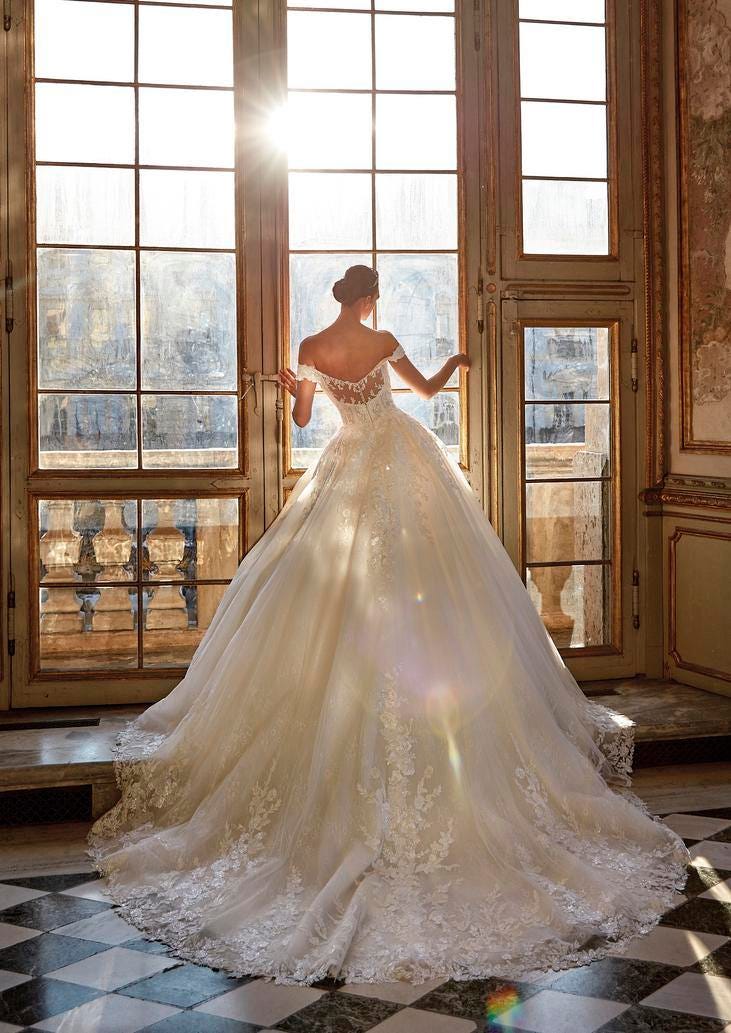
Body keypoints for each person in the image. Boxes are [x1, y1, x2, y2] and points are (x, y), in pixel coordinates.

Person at [89, 263, 689, 987]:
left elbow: (307, 420)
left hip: (345, 469)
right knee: (430, 586)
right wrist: (453, 363)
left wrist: (293, 391)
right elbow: (428, 393)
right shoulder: (384, 339)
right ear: (370, 298)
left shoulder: (311, 343)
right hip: (401, 464)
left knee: (329, 596)